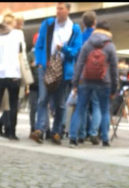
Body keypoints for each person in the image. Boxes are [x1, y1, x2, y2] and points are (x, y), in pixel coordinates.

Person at [30, 3, 82, 145]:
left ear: (68, 10)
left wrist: (64, 49)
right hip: (46, 67)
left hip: (63, 70)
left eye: (61, 9)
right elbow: (39, 45)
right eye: (57, 8)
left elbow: (77, 50)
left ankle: (57, 131)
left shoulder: (74, 29)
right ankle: (40, 129)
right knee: (43, 98)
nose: (58, 11)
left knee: (60, 103)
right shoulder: (48, 24)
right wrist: (41, 62)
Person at [68, 21, 118, 148]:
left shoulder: (87, 44)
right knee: (104, 110)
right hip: (104, 82)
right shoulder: (110, 46)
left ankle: (73, 138)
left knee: (80, 109)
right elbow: (114, 69)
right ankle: (105, 139)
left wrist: (75, 83)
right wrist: (114, 88)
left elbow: (79, 64)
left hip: (85, 81)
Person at [0, 13, 23, 141]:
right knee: (13, 104)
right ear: (11, 23)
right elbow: (21, 51)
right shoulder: (18, 34)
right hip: (13, 73)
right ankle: (12, 133)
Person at [72, 10, 99, 143]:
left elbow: (77, 58)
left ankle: (81, 134)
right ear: (95, 22)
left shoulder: (81, 38)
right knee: (96, 105)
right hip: (97, 76)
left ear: (84, 23)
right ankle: (93, 132)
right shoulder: (99, 38)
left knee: (82, 106)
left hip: (83, 75)